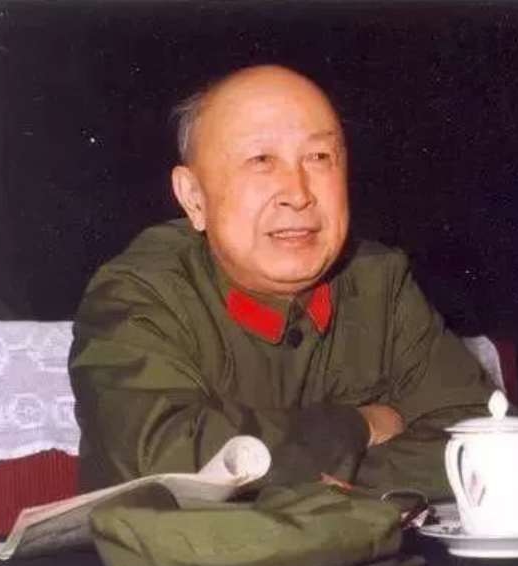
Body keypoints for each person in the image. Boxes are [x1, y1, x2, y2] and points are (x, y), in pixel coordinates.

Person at [68, 65, 494, 498]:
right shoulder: (137, 294)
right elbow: (165, 459)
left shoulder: (380, 282)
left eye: (319, 157)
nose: (298, 193)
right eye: (261, 160)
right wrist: (359, 426)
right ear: (194, 198)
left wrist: (336, 487)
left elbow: (488, 441)